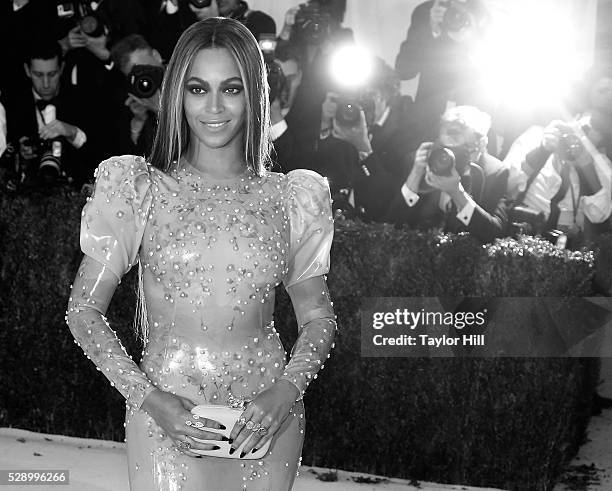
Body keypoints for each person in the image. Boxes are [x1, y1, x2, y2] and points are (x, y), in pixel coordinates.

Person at [65, 17, 336, 491]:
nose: (214, 107)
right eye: (197, 88)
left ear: (254, 94)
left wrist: (285, 392)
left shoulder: (291, 197)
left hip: (266, 422)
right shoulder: (140, 190)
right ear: (177, 96)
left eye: (231, 89)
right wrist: (149, 399)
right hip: (165, 418)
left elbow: (319, 317)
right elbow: (83, 310)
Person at [384, 105, 509, 244]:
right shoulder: (423, 159)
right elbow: (390, 225)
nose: (450, 156)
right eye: (446, 148)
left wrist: (457, 193)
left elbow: (494, 235)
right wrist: (415, 174)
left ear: (481, 145)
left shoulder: (493, 173)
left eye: (460, 150)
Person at [5, 39, 101, 188]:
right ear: (27, 71)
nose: (45, 83)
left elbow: (102, 155)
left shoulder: (82, 99)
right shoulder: (13, 105)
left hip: (76, 190)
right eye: (38, 74)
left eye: (52, 74)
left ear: (62, 68)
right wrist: (21, 155)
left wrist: (73, 133)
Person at [394, 0, 488, 143]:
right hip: (426, 122)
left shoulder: (482, 16)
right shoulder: (426, 12)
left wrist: (472, 43)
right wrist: (431, 32)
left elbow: (490, 77)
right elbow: (404, 70)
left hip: (469, 125)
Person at [108, 34, 164, 156]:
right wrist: (139, 121)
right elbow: (138, 160)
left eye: (145, 69)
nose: (144, 80)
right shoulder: (136, 97)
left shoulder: (187, 81)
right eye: (135, 75)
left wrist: (159, 109)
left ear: (157, 56)